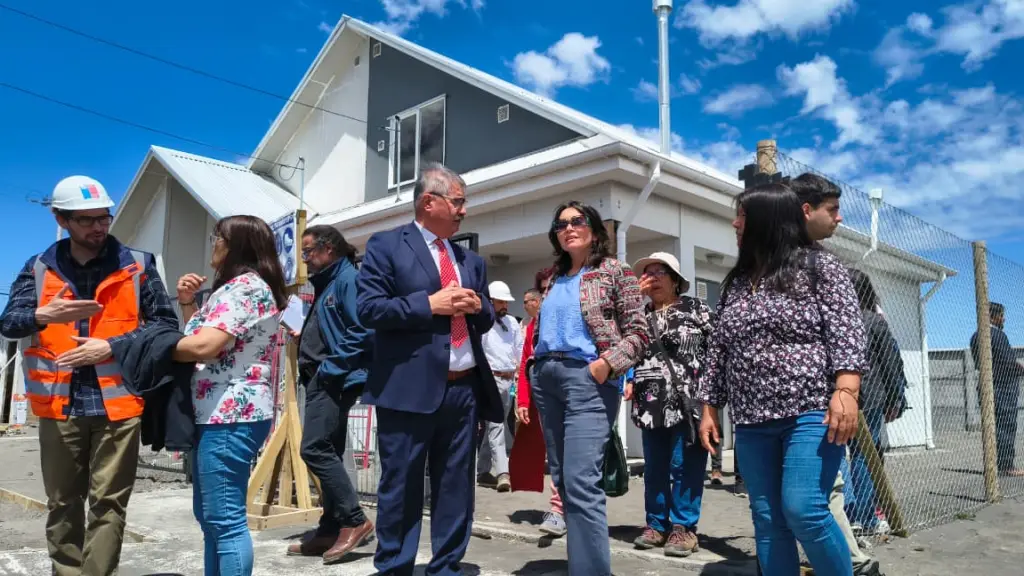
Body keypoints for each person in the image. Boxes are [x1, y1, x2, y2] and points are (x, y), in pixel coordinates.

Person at [0, 176, 178, 576]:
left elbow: (166, 325)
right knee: (62, 502)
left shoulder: (138, 265)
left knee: (109, 503)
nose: (99, 227)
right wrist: (40, 315)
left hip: (120, 405)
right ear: (60, 219)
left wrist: (113, 346)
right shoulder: (39, 267)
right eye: (86, 220)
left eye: (104, 218)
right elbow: (8, 324)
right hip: (59, 406)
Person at [698, 182, 867, 576]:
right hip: (753, 419)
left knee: (804, 508)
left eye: (742, 216)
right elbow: (719, 348)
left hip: (810, 412)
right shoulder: (738, 282)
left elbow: (847, 331)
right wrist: (709, 407)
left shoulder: (819, 267)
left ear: (766, 220)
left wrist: (846, 390)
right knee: (767, 518)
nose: (735, 224)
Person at [356, 163, 504, 576]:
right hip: (407, 390)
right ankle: (395, 567)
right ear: (429, 201)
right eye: (457, 202)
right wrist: (429, 304)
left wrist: (478, 307)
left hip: (463, 391)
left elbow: (488, 317)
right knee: (401, 486)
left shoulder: (469, 259)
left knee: (456, 486)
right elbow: (368, 309)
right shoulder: (386, 246)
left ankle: (446, 568)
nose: (463, 211)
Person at [529, 200, 648, 576]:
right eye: (561, 223)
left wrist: (607, 364)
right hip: (547, 378)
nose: (568, 227)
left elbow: (640, 331)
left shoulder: (614, 271)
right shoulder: (553, 278)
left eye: (577, 221)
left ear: (594, 230)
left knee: (581, 481)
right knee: (564, 479)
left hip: (588, 380)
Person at [172, 215, 287, 576]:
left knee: (225, 521)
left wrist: (156, 347)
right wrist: (187, 302)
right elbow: (201, 336)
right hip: (218, 412)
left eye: (217, 237)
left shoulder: (247, 289)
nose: (213, 243)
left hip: (231, 413)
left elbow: (205, 345)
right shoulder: (234, 288)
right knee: (211, 519)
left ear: (236, 245)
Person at [790, 171, 886, 576]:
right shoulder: (774, 269)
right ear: (805, 210)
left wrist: (849, 391)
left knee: (822, 493)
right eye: (834, 210)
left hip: (831, 405)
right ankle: (849, 554)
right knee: (826, 489)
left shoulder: (827, 269)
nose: (840, 218)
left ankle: (852, 560)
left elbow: (867, 353)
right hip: (792, 407)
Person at [286, 225, 375, 562]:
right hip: (322, 376)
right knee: (330, 452)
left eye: (308, 251)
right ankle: (329, 528)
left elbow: (363, 328)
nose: (305, 259)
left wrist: (331, 367)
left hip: (333, 378)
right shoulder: (327, 284)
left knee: (313, 448)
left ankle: (355, 520)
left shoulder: (348, 279)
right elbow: (332, 329)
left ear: (328, 250)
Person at [624, 252, 713, 557]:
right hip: (650, 402)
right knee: (656, 467)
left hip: (689, 400)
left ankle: (683, 528)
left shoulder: (696, 309)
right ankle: (657, 524)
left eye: (661, 271)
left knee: (686, 464)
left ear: (676, 280)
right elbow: (625, 348)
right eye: (648, 272)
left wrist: (712, 398)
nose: (654, 277)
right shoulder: (638, 315)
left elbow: (717, 351)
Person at [845, 269, 907, 535]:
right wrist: (896, 399)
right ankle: (864, 516)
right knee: (864, 455)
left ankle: (848, 512)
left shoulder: (838, 320)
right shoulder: (874, 321)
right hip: (869, 398)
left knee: (838, 454)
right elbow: (890, 364)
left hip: (839, 396)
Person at [478, 280, 523, 492]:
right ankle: (503, 472)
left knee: (493, 425)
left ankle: (482, 470)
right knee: (497, 424)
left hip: (509, 380)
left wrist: (521, 377)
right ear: (490, 301)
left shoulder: (512, 323)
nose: (505, 305)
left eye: (506, 301)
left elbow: (519, 350)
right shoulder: (483, 323)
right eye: (501, 301)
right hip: (491, 379)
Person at [971, 302, 1024, 477]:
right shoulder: (997, 335)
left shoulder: (976, 335)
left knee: (991, 426)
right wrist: (1020, 369)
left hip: (987, 385)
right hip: (1003, 388)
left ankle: (992, 464)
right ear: (993, 317)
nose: (1004, 318)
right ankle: (1006, 465)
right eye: (1002, 315)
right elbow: (1007, 362)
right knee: (1006, 425)